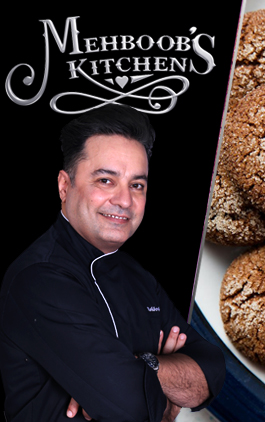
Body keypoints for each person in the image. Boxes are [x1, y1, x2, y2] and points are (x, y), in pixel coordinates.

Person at [0, 104, 226, 421]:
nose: (124, 200)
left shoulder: (139, 278)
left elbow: (212, 370)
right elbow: (130, 407)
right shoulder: (39, 279)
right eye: (106, 180)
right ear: (64, 186)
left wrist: (144, 365)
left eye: (137, 185)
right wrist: (162, 392)